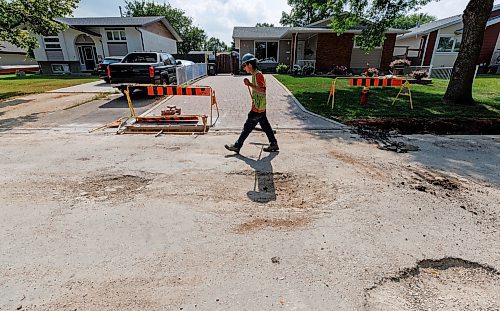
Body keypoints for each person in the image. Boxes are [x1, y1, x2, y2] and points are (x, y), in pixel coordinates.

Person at [225, 53, 279, 154]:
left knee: (247, 127)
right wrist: (250, 84)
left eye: (244, 66)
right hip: (260, 106)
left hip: (258, 108)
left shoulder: (258, 75)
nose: (244, 68)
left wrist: (249, 84)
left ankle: (237, 145)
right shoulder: (255, 75)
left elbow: (263, 90)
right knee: (265, 126)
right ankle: (273, 144)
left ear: (249, 65)